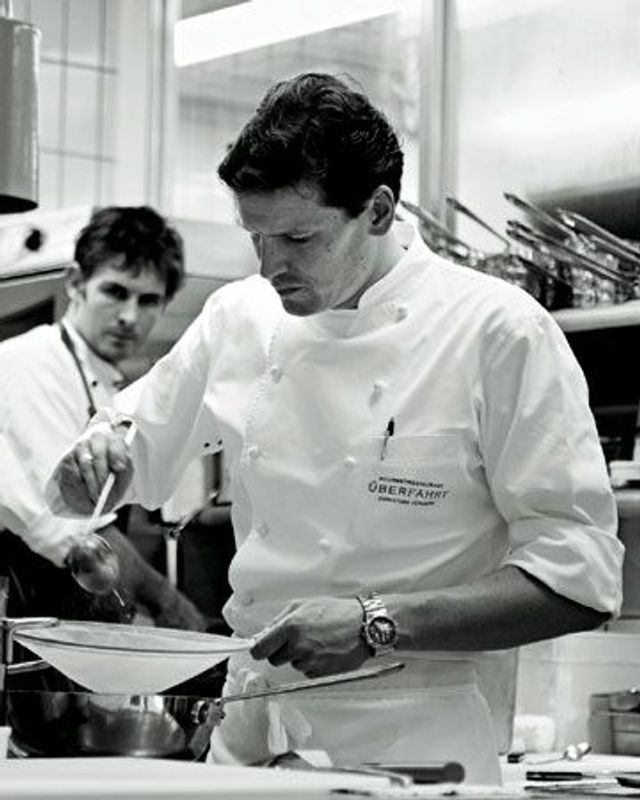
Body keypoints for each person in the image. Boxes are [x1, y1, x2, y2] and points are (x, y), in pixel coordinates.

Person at [48, 74, 623, 783]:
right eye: (256, 236)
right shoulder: (241, 315)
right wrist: (96, 459)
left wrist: (374, 621)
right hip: (250, 733)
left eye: (298, 237)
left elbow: (580, 581)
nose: (270, 266)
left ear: (377, 211)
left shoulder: (499, 333)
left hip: (414, 740)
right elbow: (128, 451)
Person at [0, 204, 204, 631]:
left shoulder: (114, 389)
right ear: (76, 283)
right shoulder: (33, 362)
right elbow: (76, 534)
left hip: (61, 622)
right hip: (21, 626)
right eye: (115, 292)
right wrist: (170, 605)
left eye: (149, 300)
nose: (129, 316)